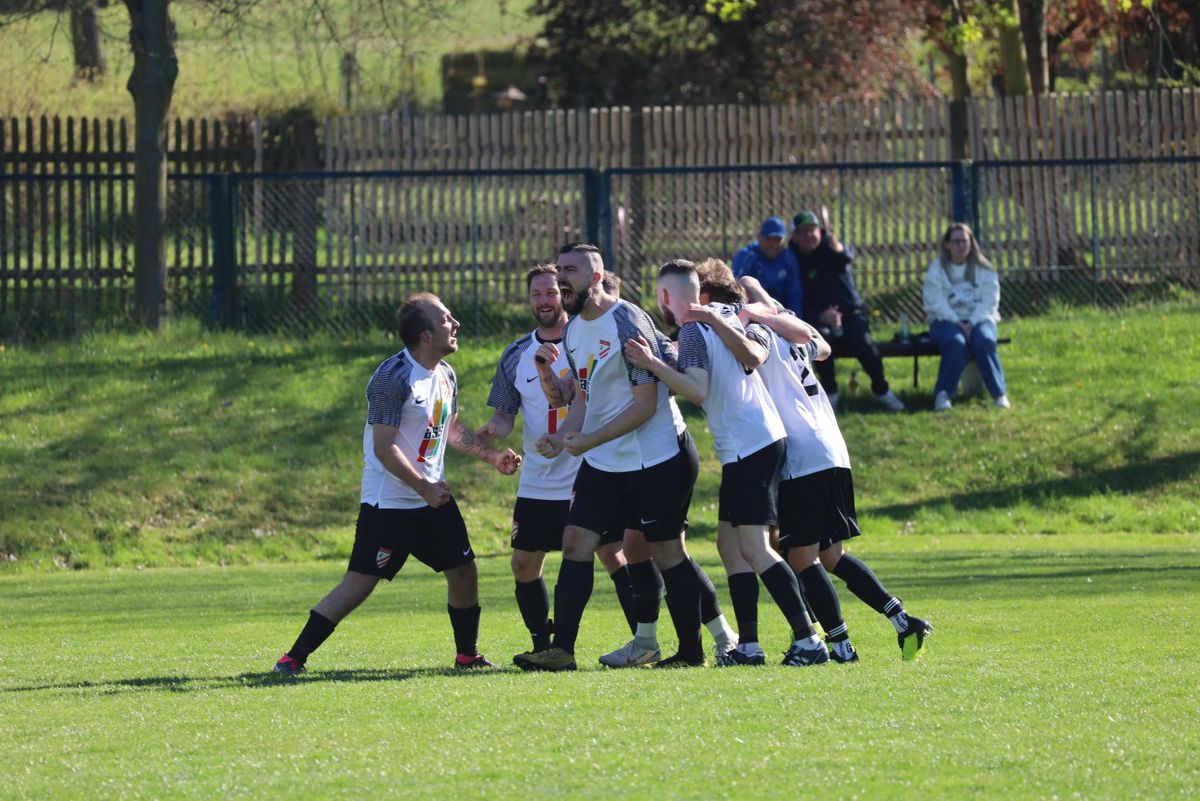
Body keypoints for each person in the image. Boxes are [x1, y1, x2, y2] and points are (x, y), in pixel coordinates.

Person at [271, 293, 522, 674]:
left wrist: (491, 456)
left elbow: (450, 427)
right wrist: (424, 487)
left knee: (463, 571)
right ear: (426, 335)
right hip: (389, 503)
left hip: (432, 497)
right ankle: (293, 658)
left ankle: (467, 655)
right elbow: (384, 447)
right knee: (361, 582)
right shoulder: (392, 377)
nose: (455, 324)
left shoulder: (446, 374)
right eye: (446, 319)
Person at [513, 244, 721, 670]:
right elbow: (584, 397)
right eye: (559, 270)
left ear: (596, 276)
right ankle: (561, 650)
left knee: (666, 552)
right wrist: (564, 436)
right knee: (576, 541)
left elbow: (645, 405)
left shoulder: (626, 322)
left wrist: (589, 440)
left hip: (655, 458)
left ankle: (692, 652)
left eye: (570, 271)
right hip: (606, 461)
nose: (561, 278)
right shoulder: (573, 331)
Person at [625, 259, 830, 667]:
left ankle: (809, 639)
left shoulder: (693, 327)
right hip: (754, 441)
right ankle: (748, 646)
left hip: (748, 445)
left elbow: (697, 391)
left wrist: (652, 365)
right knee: (729, 545)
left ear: (664, 296)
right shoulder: (724, 313)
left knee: (755, 548)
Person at [737, 274, 933, 662]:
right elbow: (823, 348)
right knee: (831, 555)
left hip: (803, 452)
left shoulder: (757, 332)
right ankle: (902, 620)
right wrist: (772, 311)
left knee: (800, 557)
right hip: (831, 447)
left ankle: (841, 647)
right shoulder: (789, 326)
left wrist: (750, 314)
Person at [477, 265, 638, 660]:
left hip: (588, 470)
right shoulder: (515, 353)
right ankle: (543, 646)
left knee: (612, 554)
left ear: (564, 295)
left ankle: (644, 639)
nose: (544, 301)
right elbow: (504, 414)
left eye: (551, 292)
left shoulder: (587, 339)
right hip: (538, 477)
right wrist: (493, 432)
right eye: (536, 294)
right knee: (523, 565)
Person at [789, 210, 904, 412]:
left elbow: (845, 257)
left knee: (865, 346)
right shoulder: (791, 259)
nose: (809, 235)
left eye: (812, 230)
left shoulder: (831, 247)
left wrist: (837, 246)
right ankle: (831, 395)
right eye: (803, 231)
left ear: (820, 231)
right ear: (795, 237)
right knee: (819, 344)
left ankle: (881, 390)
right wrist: (821, 316)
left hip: (851, 314)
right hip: (818, 319)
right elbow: (795, 296)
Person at [923, 223, 1010, 411]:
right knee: (956, 343)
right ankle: (943, 394)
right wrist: (958, 322)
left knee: (985, 340)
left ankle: (999, 394)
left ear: (971, 243)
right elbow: (934, 302)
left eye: (964, 241)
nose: (960, 245)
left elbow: (990, 301)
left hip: (980, 319)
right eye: (956, 242)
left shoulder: (984, 268)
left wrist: (971, 322)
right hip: (945, 321)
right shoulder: (937, 269)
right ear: (947, 244)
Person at [731, 216, 803, 316]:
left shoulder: (788, 257)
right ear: (760, 237)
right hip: (753, 312)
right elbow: (736, 291)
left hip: (782, 312)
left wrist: (796, 318)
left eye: (777, 240)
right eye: (769, 239)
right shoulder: (747, 256)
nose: (773, 244)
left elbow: (794, 294)